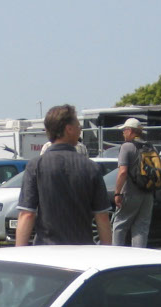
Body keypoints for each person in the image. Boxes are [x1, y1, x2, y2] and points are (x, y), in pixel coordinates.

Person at [16, 104, 111, 246]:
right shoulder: (91, 167)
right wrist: (107, 252)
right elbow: (102, 217)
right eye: (78, 126)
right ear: (69, 129)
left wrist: (19, 255)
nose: (80, 130)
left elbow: (27, 214)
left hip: (46, 249)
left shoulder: (36, 165)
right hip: (82, 249)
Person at [112, 117, 153, 247]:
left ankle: (115, 256)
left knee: (120, 225)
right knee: (141, 227)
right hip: (148, 193)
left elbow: (123, 172)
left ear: (130, 131)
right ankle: (139, 259)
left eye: (124, 130)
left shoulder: (127, 147)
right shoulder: (151, 146)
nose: (123, 133)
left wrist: (117, 193)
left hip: (130, 192)